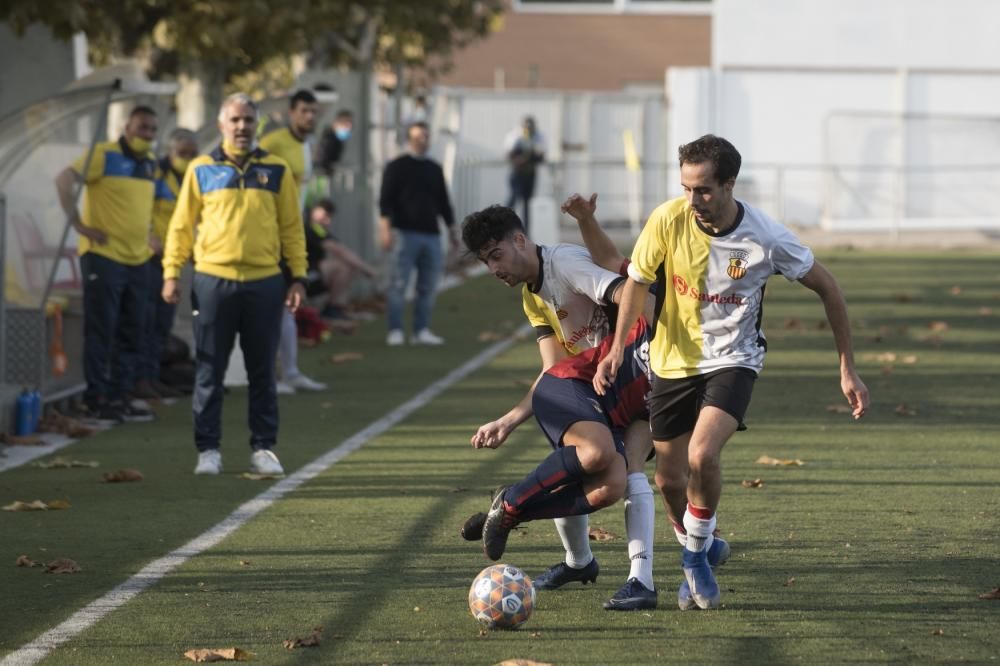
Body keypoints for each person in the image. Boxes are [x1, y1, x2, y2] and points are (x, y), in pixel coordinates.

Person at [593, 134, 870, 611]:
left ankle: (694, 560)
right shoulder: (667, 219)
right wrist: (617, 347)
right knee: (669, 480)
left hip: (733, 360)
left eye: (703, 189)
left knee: (703, 455)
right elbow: (637, 282)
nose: (692, 200)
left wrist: (848, 367)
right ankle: (705, 542)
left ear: (728, 184)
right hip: (671, 361)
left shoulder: (765, 236)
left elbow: (828, 287)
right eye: (686, 188)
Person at [458, 199, 665, 611]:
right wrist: (510, 420)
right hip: (589, 384)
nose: (494, 269)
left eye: (496, 255)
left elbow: (629, 292)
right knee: (594, 456)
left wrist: (623, 349)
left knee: (616, 483)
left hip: (630, 376)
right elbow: (553, 368)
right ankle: (572, 554)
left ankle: (642, 577)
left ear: (520, 240)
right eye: (486, 262)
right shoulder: (533, 298)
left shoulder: (565, 264)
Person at [162, 93, 308, 476]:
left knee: (262, 369)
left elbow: (292, 229)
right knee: (209, 369)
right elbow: (180, 226)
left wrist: (297, 278)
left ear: (257, 125)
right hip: (212, 280)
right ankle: (208, 450)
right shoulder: (199, 169)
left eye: (248, 120)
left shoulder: (276, 170)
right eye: (235, 120)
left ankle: (263, 447)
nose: (242, 127)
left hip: (264, 282)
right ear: (222, 125)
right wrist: (171, 272)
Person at [54, 105, 159, 424]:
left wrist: (150, 235)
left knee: (132, 329)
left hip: (138, 257)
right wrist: (79, 225)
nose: (148, 135)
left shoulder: (150, 163)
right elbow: (63, 180)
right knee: (102, 328)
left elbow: (143, 208)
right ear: (127, 126)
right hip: (104, 256)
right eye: (143, 128)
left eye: (153, 130)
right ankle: (95, 398)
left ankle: (119, 395)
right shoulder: (103, 154)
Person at [260, 89, 327, 393]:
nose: (309, 116)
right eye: (304, 111)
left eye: (313, 111)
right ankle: (269, 376)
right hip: (269, 235)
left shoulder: (307, 145)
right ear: (291, 113)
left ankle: (290, 371)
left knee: (288, 303)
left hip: (292, 233)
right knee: (268, 306)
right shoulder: (272, 144)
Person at [378, 121, 458, 346]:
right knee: (398, 284)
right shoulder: (396, 166)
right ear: (409, 139)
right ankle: (395, 329)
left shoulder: (434, 168)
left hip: (431, 235)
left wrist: (452, 230)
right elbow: (385, 201)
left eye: (425, 136)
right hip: (404, 233)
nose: (422, 141)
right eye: (417, 137)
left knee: (428, 285)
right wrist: (385, 229)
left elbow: (444, 203)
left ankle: (421, 329)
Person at [134, 127, 199, 400]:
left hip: (174, 258)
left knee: (162, 322)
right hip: (151, 256)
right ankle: (140, 379)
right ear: (170, 151)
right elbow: (139, 207)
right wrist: (148, 236)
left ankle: (153, 377)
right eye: (182, 153)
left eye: (191, 154)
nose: (186, 158)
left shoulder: (191, 178)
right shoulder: (155, 173)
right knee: (146, 320)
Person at [304, 198, 377, 321]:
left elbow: (340, 249)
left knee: (349, 266)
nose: (327, 221)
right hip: (300, 277)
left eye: (330, 217)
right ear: (315, 210)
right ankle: (332, 309)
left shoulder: (318, 230)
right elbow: (339, 251)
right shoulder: (311, 228)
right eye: (325, 215)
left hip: (307, 276)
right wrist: (367, 269)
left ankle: (338, 308)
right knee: (343, 267)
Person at [504, 116, 545, 234]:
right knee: (513, 199)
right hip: (518, 175)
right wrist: (519, 159)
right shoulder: (517, 138)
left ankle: (526, 232)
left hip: (530, 175)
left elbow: (541, 157)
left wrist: (533, 156)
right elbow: (510, 154)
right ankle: (503, 226)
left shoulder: (537, 138)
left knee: (527, 204)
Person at [317, 109, 354, 177]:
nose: (349, 125)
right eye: (345, 122)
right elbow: (321, 160)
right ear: (337, 121)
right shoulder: (329, 137)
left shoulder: (338, 139)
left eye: (350, 122)